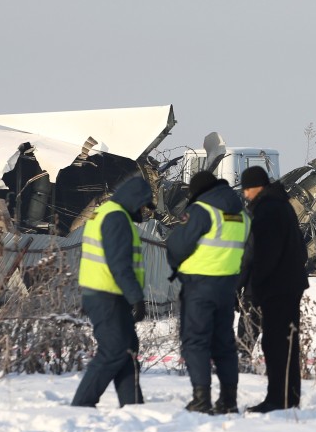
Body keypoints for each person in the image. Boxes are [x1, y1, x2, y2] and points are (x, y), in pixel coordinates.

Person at [166, 170, 250, 414]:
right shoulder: (242, 215)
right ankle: (229, 400)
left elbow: (177, 244)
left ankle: (201, 399)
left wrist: (177, 264)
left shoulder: (202, 210)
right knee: (224, 344)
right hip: (227, 286)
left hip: (199, 285)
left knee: (196, 342)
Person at [71, 176, 154, 408]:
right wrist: (136, 298)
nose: (144, 211)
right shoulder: (116, 218)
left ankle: (133, 407)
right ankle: (81, 406)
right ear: (134, 199)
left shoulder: (107, 213)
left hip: (106, 294)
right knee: (114, 351)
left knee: (127, 351)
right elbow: (120, 264)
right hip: (107, 295)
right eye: (143, 205)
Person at [238, 166, 309, 413]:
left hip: (277, 288)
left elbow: (264, 256)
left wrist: (254, 289)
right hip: (289, 285)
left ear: (257, 187)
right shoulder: (282, 206)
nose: (245, 194)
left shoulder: (267, 210)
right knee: (287, 344)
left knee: (276, 344)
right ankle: (288, 397)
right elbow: (301, 249)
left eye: (247, 189)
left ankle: (278, 400)